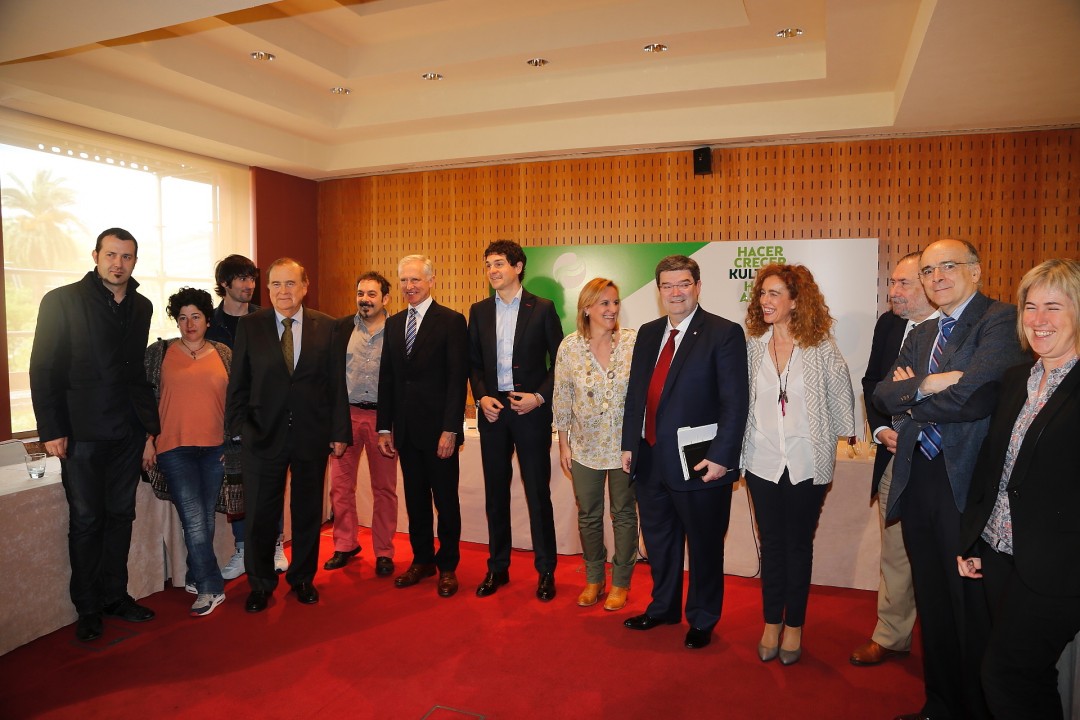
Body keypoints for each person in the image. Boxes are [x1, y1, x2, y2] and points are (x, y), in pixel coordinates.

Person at [874, 239, 1027, 720]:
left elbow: (975, 397)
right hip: (918, 478)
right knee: (934, 602)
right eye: (927, 270)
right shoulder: (922, 333)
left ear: (975, 271)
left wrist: (912, 397)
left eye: (948, 266)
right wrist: (929, 383)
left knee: (969, 608)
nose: (936, 277)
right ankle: (939, 705)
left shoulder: (999, 320)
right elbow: (883, 394)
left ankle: (977, 710)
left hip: (966, 486)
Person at [957, 258, 1080, 720]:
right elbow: (994, 469)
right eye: (1030, 307)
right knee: (1028, 678)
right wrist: (975, 539)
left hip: (1059, 568)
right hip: (1000, 553)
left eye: (1054, 307)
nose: (1038, 319)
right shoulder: (1016, 380)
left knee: (1006, 675)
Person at [29, 227, 160, 642]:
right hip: (80, 433)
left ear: (134, 261)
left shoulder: (142, 306)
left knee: (121, 516)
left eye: (127, 256)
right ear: (96, 256)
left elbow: (136, 374)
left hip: (127, 431)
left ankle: (115, 596)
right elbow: (43, 368)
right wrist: (52, 429)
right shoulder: (61, 301)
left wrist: (148, 430)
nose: (118, 263)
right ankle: (87, 608)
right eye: (111, 255)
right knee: (87, 521)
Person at [620, 255, 749, 650]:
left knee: (705, 544)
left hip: (700, 461)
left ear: (698, 286)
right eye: (667, 285)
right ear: (659, 291)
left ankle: (703, 618)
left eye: (683, 284)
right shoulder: (647, 333)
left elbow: (735, 402)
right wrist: (628, 443)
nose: (675, 292)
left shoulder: (724, 333)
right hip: (649, 458)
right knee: (659, 541)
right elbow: (637, 394)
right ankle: (663, 608)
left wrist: (723, 456)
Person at [741, 263, 856, 665]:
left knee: (798, 544)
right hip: (762, 461)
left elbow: (841, 397)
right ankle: (772, 620)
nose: (765, 300)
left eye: (774, 293)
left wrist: (845, 435)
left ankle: (795, 625)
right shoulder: (752, 346)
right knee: (772, 544)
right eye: (762, 293)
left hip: (808, 463)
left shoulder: (819, 346)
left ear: (795, 301)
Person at [224, 258, 351, 613]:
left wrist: (339, 430)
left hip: (312, 435)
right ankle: (260, 583)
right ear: (268, 289)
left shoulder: (327, 326)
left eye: (291, 283)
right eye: (277, 284)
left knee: (308, 512)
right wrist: (238, 428)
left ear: (305, 287)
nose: (284, 291)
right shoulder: (251, 326)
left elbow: (336, 385)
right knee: (260, 514)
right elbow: (239, 382)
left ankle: (302, 578)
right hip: (262, 436)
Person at [850, 253, 937, 666]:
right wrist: (882, 430)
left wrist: (915, 390)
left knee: (942, 555)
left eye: (904, 284)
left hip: (941, 461)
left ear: (929, 286)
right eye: (893, 283)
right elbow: (873, 383)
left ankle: (947, 643)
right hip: (892, 457)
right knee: (895, 553)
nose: (893, 292)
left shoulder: (957, 330)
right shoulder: (889, 325)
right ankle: (891, 634)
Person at [468, 240, 563, 601]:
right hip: (493, 412)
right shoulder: (478, 311)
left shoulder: (543, 308)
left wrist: (538, 397)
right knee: (495, 494)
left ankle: (546, 571)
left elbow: (561, 361)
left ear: (518, 267)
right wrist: (481, 397)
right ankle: (497, 568)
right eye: (488, 264)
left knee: (538, 494)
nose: (492, 270)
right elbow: (473, 364)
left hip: (530, 412)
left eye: (499, 264)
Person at [377, 255, 468, 598]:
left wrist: (451, 429)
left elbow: (457, 380)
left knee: (446, 502)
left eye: (415, 279)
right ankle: (422, 560)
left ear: (431, 281)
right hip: (406, 432)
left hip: (439, 432)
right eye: (404, 280)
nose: (409, 286)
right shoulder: (393, 323)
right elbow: (387, 378)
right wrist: (384, 427)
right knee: (415, 501)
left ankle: (448, 567)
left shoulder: (451, 321)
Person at [143, 287, 233, 617]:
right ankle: (212, 587)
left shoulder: (224, 353)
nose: (189, 323)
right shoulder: (159, 353)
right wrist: (147, 440)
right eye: (182, 317)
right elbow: (144, 401)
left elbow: (237, 402)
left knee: (204, 520)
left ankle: (195, 575)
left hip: (215, 449)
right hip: (173, 448)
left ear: (208, 320)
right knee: (193, 520)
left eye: (196, 316)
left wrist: (233, 444)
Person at [553, 278, 638, 610]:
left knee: (624, 514)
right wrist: (564, 445)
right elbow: (562, 398)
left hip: (624, 447)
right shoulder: (569, 347)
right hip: (584, 447)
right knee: (588, 515)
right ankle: (593, 578)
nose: (612, 309)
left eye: (615, 302)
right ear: (586, 308)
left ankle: (621, 582)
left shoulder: (632, 342)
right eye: (604, 303)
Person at [205, 254, 287, 580]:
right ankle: (242, 549)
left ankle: (275, 544)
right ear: (224, 283)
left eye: (252, 278)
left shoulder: (268, 319)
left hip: (265, 414)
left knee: (271, 481)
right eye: (241, 278)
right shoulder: (209, 323)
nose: (249, 284)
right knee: (237, 484)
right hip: (225, 415)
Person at [325, 272, 399, 576]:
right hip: (347, 416)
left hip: (384, 421)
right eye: (360, 294)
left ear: (385, 299)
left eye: (371, 294)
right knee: (340, 486)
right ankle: (345, 544)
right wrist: (334, 422)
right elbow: (331, 377)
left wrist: (390, 423)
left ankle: (384, 551)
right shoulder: (340, 328)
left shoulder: (397, 330)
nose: (365, 300)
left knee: (384, 489)